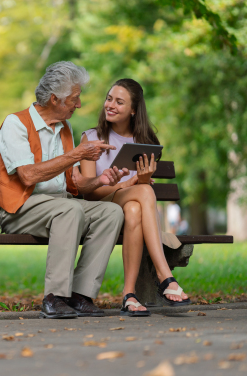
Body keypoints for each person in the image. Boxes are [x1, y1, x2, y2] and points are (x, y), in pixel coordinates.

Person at [0, 61, 128, 319]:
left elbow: (74, 181)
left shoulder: (64, 128)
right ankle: (54, 297)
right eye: (74, 98)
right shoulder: (15, 124)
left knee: (111, 212)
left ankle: (80, 295)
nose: (78, 104)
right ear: (55, 99)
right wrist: (76, 153)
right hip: (21, 208)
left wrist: (101, 180)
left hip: (62, 206)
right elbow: (28, 175)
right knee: (69, 209)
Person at [77, 78, 191, 317]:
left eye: (119, 102)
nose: (110, 105)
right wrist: (129, 183)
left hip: (128, 207)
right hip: (100, 207)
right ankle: (164, 275)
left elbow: (140, 195)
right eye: (109, 99)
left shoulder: (144, 143)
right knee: (144, 191)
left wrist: (141, 180)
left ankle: (129, 295)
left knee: (134, 209)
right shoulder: (91, 138)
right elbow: (88, 192)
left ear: (133, 110)